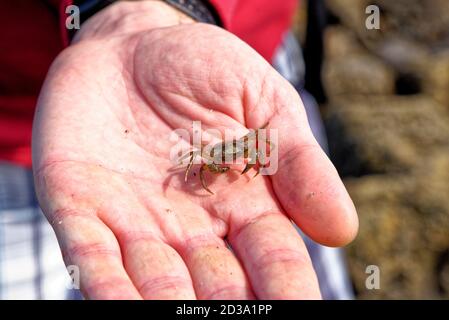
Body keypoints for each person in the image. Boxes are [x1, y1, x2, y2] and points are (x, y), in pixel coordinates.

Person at [0, 0, 358, 299]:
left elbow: (249, 150)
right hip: (20, 121)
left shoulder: (243, 131)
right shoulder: (201, 160)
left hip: (237, 65)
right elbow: (196, 165)